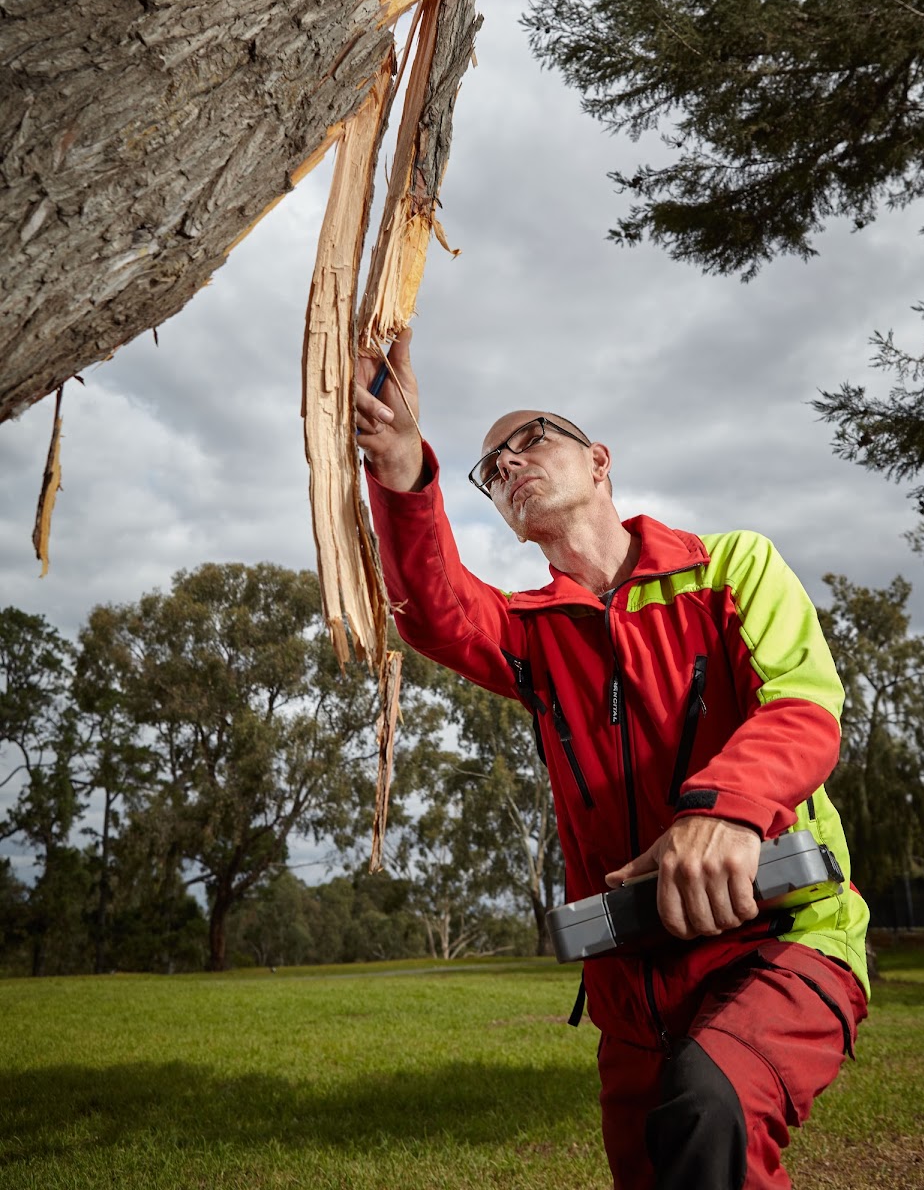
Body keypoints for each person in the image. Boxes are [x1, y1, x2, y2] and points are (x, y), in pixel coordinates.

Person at [355, 329, 870, 1190]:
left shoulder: (730, 567)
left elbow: (804, 706)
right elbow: (438, 612)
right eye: (492, 466)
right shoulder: (534, 634)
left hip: (783, 939)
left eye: (532, 439)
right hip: (632, 992)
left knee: (712, 1110)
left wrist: (724, 811)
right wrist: (404, 467)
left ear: (599, 461)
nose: (510, 462)